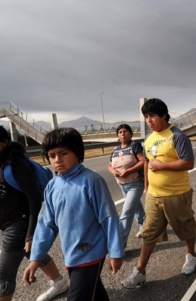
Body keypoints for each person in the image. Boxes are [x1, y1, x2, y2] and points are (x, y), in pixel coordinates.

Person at [0, 123, 68, 301]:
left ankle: (58, 282)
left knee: (4, 276)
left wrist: (30, 234)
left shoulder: (16, 165)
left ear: (4, 142)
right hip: (7, 224)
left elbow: (34, 199)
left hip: (19, 224)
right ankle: (59, 282)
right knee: (31, 252)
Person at [23, 128, 124, 301]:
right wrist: (36, 258)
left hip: (91, 251)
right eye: (52, 155)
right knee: (94, 292)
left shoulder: (91, 181)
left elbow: (108, 217)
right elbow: (46, 224)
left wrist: (116, 252)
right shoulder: (52, 186)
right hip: (70, 254)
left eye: (63, 153)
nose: (57, 160)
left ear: (77, 153)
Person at [121, 98, 196, 289]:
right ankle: (140, 271)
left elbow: (188, 162)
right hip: (154, 196)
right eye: (146, 116)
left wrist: (162, 165)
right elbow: (147, 162)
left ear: (164, 115)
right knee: (149, 233)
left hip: (177, 194)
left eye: (152, 116)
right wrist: (147, 187)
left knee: (186, 227)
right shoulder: (149, 139)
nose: (149, 120)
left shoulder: (177, 136)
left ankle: (191, 255)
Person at [107, 124, 146, 248]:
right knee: (136, 207)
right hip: (122, 184)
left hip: (135, 183)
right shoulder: (115, 149)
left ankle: (119, 245)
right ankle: (144, 225)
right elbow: (109, 165)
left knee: (126, 212)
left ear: (131, 134)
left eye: (125, 131)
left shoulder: (134, 146)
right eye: (120, 132)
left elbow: (143, 161)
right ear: (117, 135)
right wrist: (113, 171)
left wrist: (128, 171)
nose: (122, 134)